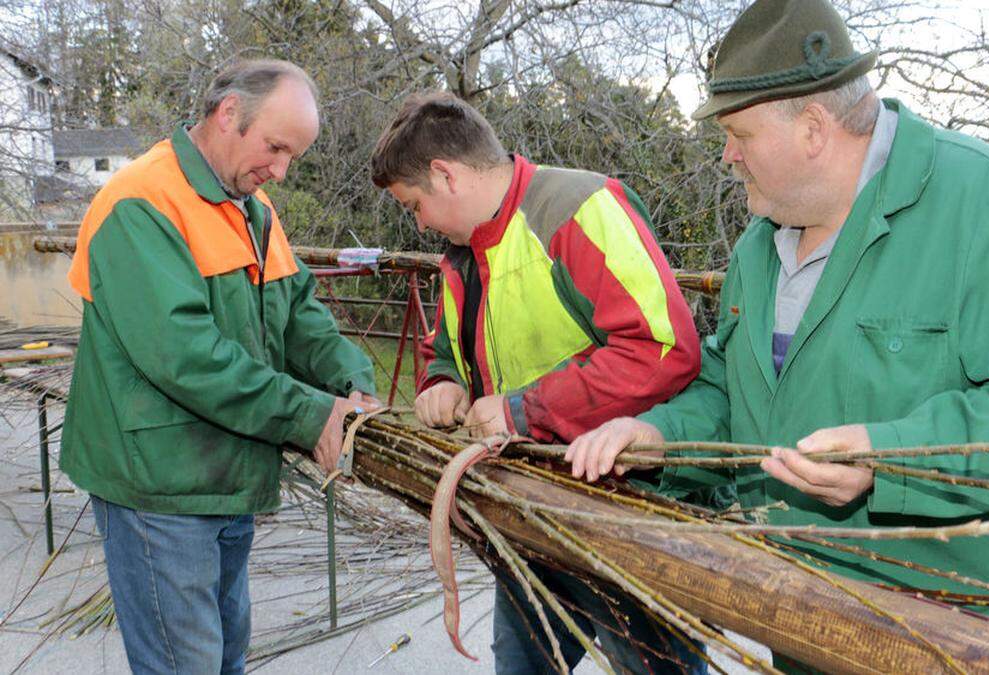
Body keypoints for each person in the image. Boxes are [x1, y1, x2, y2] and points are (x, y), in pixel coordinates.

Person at [566, 0, 989, 669]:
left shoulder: (988, 204)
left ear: (811, 127)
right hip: (813, 603)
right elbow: (730, 389)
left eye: (738, 133)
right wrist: (660, 437)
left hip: (973, 625)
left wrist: (890, 456)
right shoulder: (760, 245)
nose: (727, 154)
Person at [61, 59, 378, 674]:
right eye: (275, 147)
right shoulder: (139, 203)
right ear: (228, 112)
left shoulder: (254, 211)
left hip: (228, 479)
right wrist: (311, 416)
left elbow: (301, 318)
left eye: (294, 156)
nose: (281, 171)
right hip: (160, 488)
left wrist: (352, 387)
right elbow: (186, 357)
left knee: (225, 656)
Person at [370, 91, 705, 674]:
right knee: (522, 664)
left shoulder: (579, 208)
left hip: (627, 507)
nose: (418, 222)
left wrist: (523, 412)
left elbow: (662, 349)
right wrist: (442, 378)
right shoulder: (461, 255)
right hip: (526, 506)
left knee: (652, 666)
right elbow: (445, 345)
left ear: (445, 175)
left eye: (413, 204)